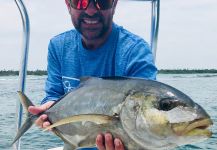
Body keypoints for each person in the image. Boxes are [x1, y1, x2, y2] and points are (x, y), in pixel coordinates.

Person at [28, 0, 157, 149]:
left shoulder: (135, 51)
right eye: (80, 2)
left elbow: (144, 115)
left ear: (114, 5)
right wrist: (48, 111)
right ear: (68, 5)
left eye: (102, 2)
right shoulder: (58, 46)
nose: (90, 11)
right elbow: (53, 94)